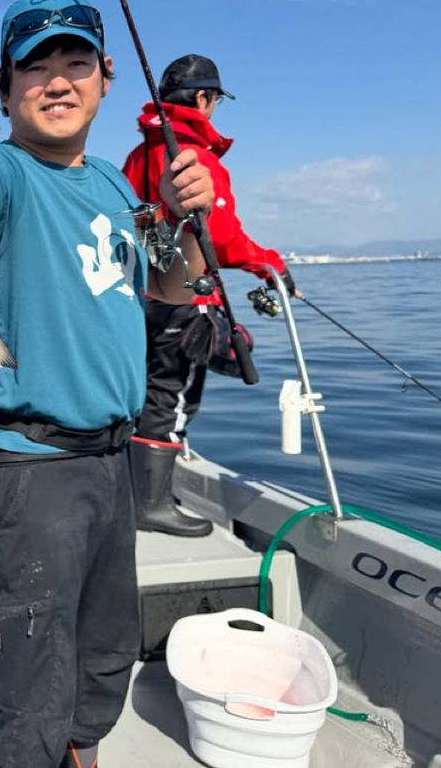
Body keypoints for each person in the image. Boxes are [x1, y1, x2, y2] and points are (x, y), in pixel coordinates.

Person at [0, 0, 214, 768]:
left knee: (98, 670)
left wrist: (184, 221)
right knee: (26, 699)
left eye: (76, 62)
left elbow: (172, 286)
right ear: (2, 90)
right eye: (36, 67)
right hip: (25, 476)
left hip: (110, 467)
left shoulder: (113, 185)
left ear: (107, 78)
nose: (59, 80)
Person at [122, 53, 294, 537]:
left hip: (140, 299)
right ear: (203, 98)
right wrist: (271, 265)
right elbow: (219, 237)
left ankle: (135, 492)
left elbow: (135, 224)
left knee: (144, 391)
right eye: (215, 99)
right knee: (171, 397)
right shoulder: (195, 156)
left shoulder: (138, 155)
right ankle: (151, 504)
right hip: (186, 302)